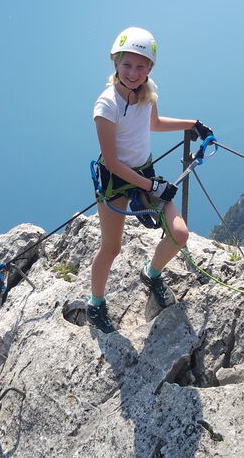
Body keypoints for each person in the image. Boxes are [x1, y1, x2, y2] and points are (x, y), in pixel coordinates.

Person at [88, 26, 213, 333]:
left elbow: (153, 123)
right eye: (126, 64)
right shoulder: (106, 105)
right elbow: (114, 162)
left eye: (140, 66)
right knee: (111, 247)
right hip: (115, 179)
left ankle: (152, 273)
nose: (133, 72)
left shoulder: (147, 91)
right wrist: (153, 187)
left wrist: (194, 124)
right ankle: (95, 304)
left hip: (143, 172)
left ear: (150, 69)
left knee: (179, 233)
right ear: (115, 64)